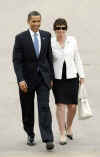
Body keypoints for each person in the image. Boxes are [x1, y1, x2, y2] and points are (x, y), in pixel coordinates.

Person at [13, 11, 55, 150]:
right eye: (34, 21)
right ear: (28, 21)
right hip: (27, 80)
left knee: (44, 107)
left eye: (38, 21)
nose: (36, 24)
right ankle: (30, 133)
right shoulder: (20, 38)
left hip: (43, 78)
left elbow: (49, 58)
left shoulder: (46, 36)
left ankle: (48, 138)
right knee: (28, 109)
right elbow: (17, 61)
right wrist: (20, 80)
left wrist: (51, 78)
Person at [51, 18, 85, 145]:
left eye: (63, 28)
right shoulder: (51, 42)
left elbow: (77, 58)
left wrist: (82, 76)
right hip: (58, 78)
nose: (61, 30)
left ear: (66, 29)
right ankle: (62, 133)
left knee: (72, 106)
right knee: (60, 106)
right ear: (55, 29)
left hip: (72, 77)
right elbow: (49, 62)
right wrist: (49, 78)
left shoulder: (72, 40)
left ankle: (69, 127)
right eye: (58, 28)